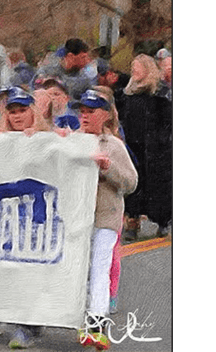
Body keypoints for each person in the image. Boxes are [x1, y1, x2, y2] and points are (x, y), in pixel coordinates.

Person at [70, 87, 138, 351]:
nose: (85, 116)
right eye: (82, 112)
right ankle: (80, 321)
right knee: (79, 269)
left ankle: (97, 324)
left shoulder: (114, 145)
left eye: (91, 112)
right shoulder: (72, 141)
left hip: (106, 216)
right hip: (77, 215)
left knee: (99, 268)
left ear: (105, 115)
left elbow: (131, 182)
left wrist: (108, 168)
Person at [120, 47, 173, 239]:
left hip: (156, 150)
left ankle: (163, 220)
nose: (134, 71)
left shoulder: (159, 94)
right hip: (133, 146)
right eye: (133, 67)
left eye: (138, 67)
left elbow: (168, 121)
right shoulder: (127, 93)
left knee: (158, 186)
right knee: (134, 186)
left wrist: (162, 141)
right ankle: (132, 222)